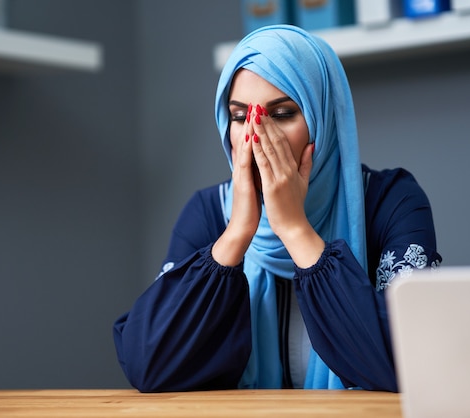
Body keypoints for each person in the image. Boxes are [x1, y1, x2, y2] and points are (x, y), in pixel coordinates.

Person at [113, 24, 442, 393]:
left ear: (323, 120)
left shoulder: (390, 201)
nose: (255, 136)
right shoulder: (209, 213)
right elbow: (148, 364)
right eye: (240, 117)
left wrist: (296, 230)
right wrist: (235, 236)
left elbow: (410, 362)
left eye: (282, 113)